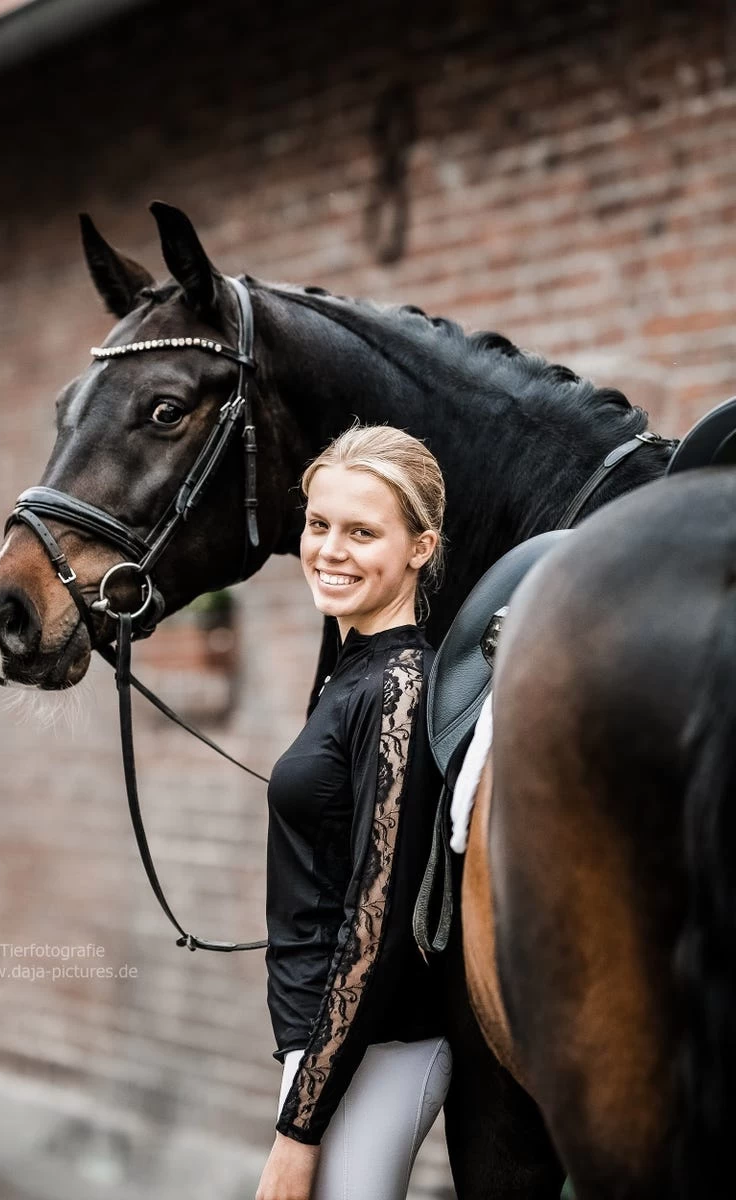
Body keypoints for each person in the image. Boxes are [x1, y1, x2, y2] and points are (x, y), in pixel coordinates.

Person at [256, 424, 452, 1200]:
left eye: (363, 532)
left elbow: (382, 921)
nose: (330, 550)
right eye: (318, 524)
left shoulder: (397, 686)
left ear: (420, 548)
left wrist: (299, 1135)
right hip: (327, 1045)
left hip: (376, 1049)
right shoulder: (350, 670)